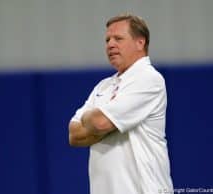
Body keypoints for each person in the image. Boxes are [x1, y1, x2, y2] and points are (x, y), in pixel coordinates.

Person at [68, 13, 173, 194]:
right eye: (107, 39)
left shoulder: (148, 78)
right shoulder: (104, 86)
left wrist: (96, 121)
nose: (110, 44)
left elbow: (100, 123)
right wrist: (103, 123)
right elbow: (74, 135)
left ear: (140, 43)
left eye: (118, 38)